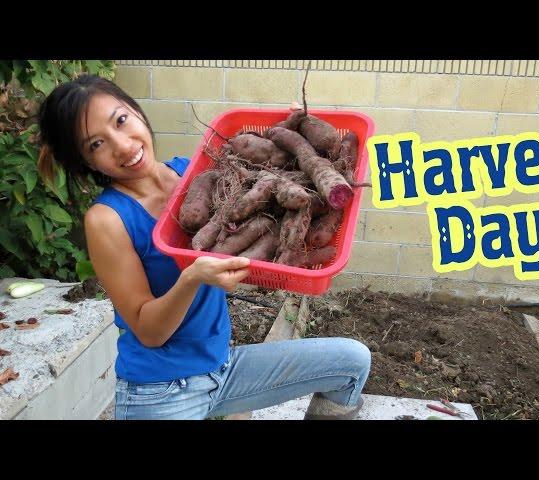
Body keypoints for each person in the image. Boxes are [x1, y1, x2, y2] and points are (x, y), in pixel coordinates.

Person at [36, 74, 371, 420]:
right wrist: (191, 278)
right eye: (96, 144)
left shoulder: (191, 173)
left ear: (135, 111)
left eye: (121, 120)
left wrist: (290, 132)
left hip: (222, 370)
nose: (122, 145)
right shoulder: (107, 219)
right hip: (160, 392)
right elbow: (149, 332)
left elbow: (262, 192)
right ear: (86, 162)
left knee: (352, 363)